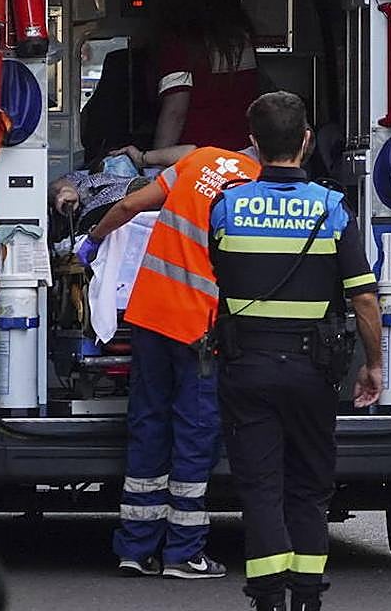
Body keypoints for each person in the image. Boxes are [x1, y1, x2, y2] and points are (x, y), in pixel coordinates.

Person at [208, 91, 384, 611]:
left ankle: (267, 598)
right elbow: (364, 297)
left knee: (260, 489)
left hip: (246, 367)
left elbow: (218, 275)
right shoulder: (331, 209)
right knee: (308, 486)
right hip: (311, 370)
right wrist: (373, 364)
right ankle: (307, 596)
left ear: (254, 145)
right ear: (307, 141)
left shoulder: (227, 207)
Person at [75, 142, 260, 580]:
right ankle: (183, 552)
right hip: (199, 327)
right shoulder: (258, 186)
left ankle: (136, 549)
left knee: (148, 424)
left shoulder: (198, 160)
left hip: (150, 315)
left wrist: (93, 241)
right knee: (195, 435)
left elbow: (128, 207)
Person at [152, 0, 259, 152]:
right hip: (244, 155)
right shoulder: (240, 38)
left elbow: (175, 111)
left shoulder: (180, 44)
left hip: (198, 160)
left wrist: (154, 162)